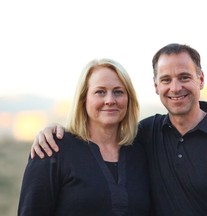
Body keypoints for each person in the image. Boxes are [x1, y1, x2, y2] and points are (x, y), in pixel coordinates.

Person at [30, 43, 207, 215]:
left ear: (200, 79)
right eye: (166, 80)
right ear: (155, 86)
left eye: (184, 77)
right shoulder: (147, 134)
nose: (175, 87)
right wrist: (52, 130)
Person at [18, 58, 151, 216]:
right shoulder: (53, 149)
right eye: (100, 92)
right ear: (83, 99)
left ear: (129, 100)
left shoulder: (141, 152)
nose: (110, 100)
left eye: (118, 92)